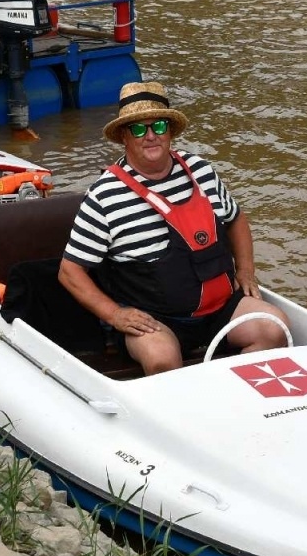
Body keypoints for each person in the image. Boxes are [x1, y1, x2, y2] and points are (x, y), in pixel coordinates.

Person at [58, 82, 289, 377]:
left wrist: (245, 270)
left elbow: (236, 219)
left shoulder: (202, 170)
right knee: (162, 358)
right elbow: (70, 271)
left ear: (170, 131)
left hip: (221, 308)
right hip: (155, 320)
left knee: (274, 327)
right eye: (139, 129)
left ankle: (243, 400)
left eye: (159, 126)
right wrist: (115, 315)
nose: (151, 136)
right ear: (124, 138)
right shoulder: (105, 195)